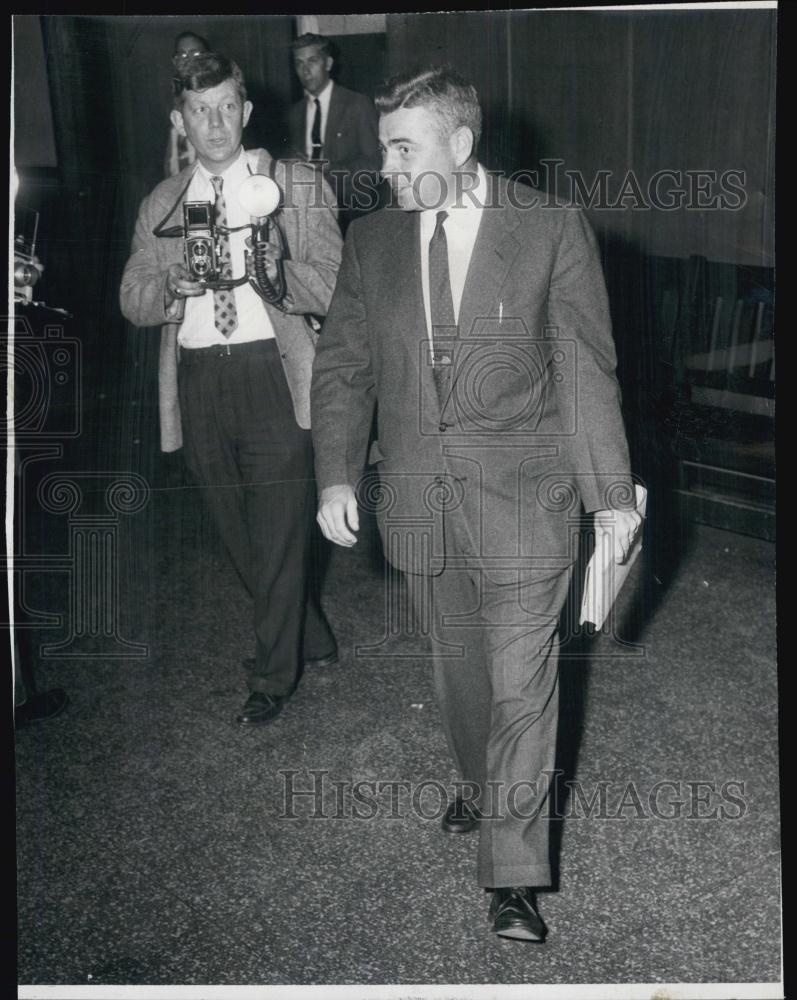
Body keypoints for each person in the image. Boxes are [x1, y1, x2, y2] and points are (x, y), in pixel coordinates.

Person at [311, 65, 641, 940]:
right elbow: (343, 365)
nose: (383, 167)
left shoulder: (547, 228)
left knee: (522, 684)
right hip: (420, 497)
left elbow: (583, 369)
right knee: (461, 677)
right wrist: (335, 474)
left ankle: (514, 876)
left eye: (401, 149)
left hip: (527, 499)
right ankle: (478, 783)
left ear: (459, 145)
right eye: (383, 148)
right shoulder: (372, 239)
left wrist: (610, 495)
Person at [121, 52, 342, 726]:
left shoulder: (294, 184)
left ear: (245, 112)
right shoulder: (161, 203)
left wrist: (279, 271)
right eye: (199, 110)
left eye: (225, 107)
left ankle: (271, 676)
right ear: (179, 121)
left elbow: (338, 282)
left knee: (277, 530)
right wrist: (169, 285)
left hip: (272, 372)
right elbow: (132, 297)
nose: (214, 123)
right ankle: (307, 633)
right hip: (199, 380)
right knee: (237, 533)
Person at [288, 33, 381, 228]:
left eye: (312, 61)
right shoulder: (295, 113)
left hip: (351, 215)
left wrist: (331, 170)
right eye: (299, 63)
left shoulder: (357, 105)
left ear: (328, 63)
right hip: (308, 216)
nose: (305, 70)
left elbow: (376, 165)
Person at [164, 31, 211, 177]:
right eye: (182, 55)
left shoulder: (219, 94)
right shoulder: (174, 94)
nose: (188, 60)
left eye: (196, 54)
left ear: (209, 58)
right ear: (175, 61)